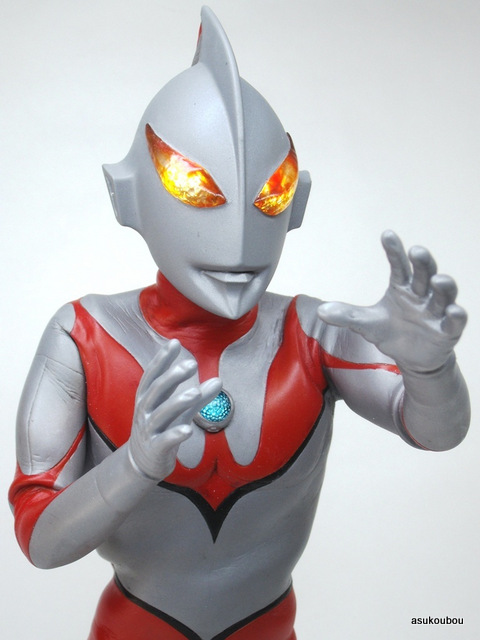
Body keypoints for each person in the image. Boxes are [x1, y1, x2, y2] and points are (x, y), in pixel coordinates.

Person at [9, 8, 469, 640]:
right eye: (195, 187)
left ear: (297, 203)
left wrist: (430, 368)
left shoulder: (315, 332)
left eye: (270, 194)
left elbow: (437, 432)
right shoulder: (84, 338)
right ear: (127, 194)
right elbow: (39, 538)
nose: (237, 236)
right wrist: (133, 466)